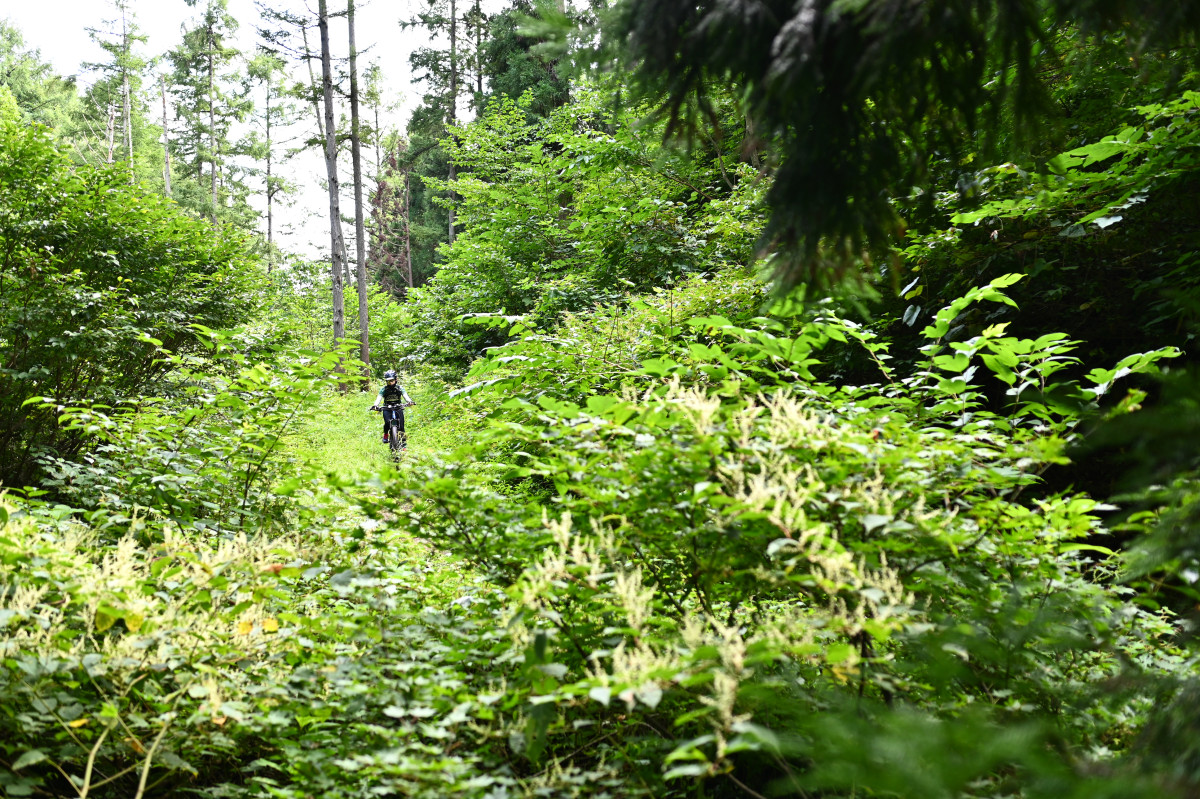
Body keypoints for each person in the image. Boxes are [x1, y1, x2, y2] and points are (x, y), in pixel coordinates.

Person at [372, 370, 414, 445]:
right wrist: (375, 405)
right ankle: (385, 434)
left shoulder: (400, 388)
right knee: (387, 422)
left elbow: (405, 396)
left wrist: (409, 401)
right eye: (388, 381)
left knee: (401, 426)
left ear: (395, 379)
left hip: (398, 407)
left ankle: (404, 445)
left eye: (392, 381)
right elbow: (379, 398)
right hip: (387, 408)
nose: (390, 383)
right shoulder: (384, 389)